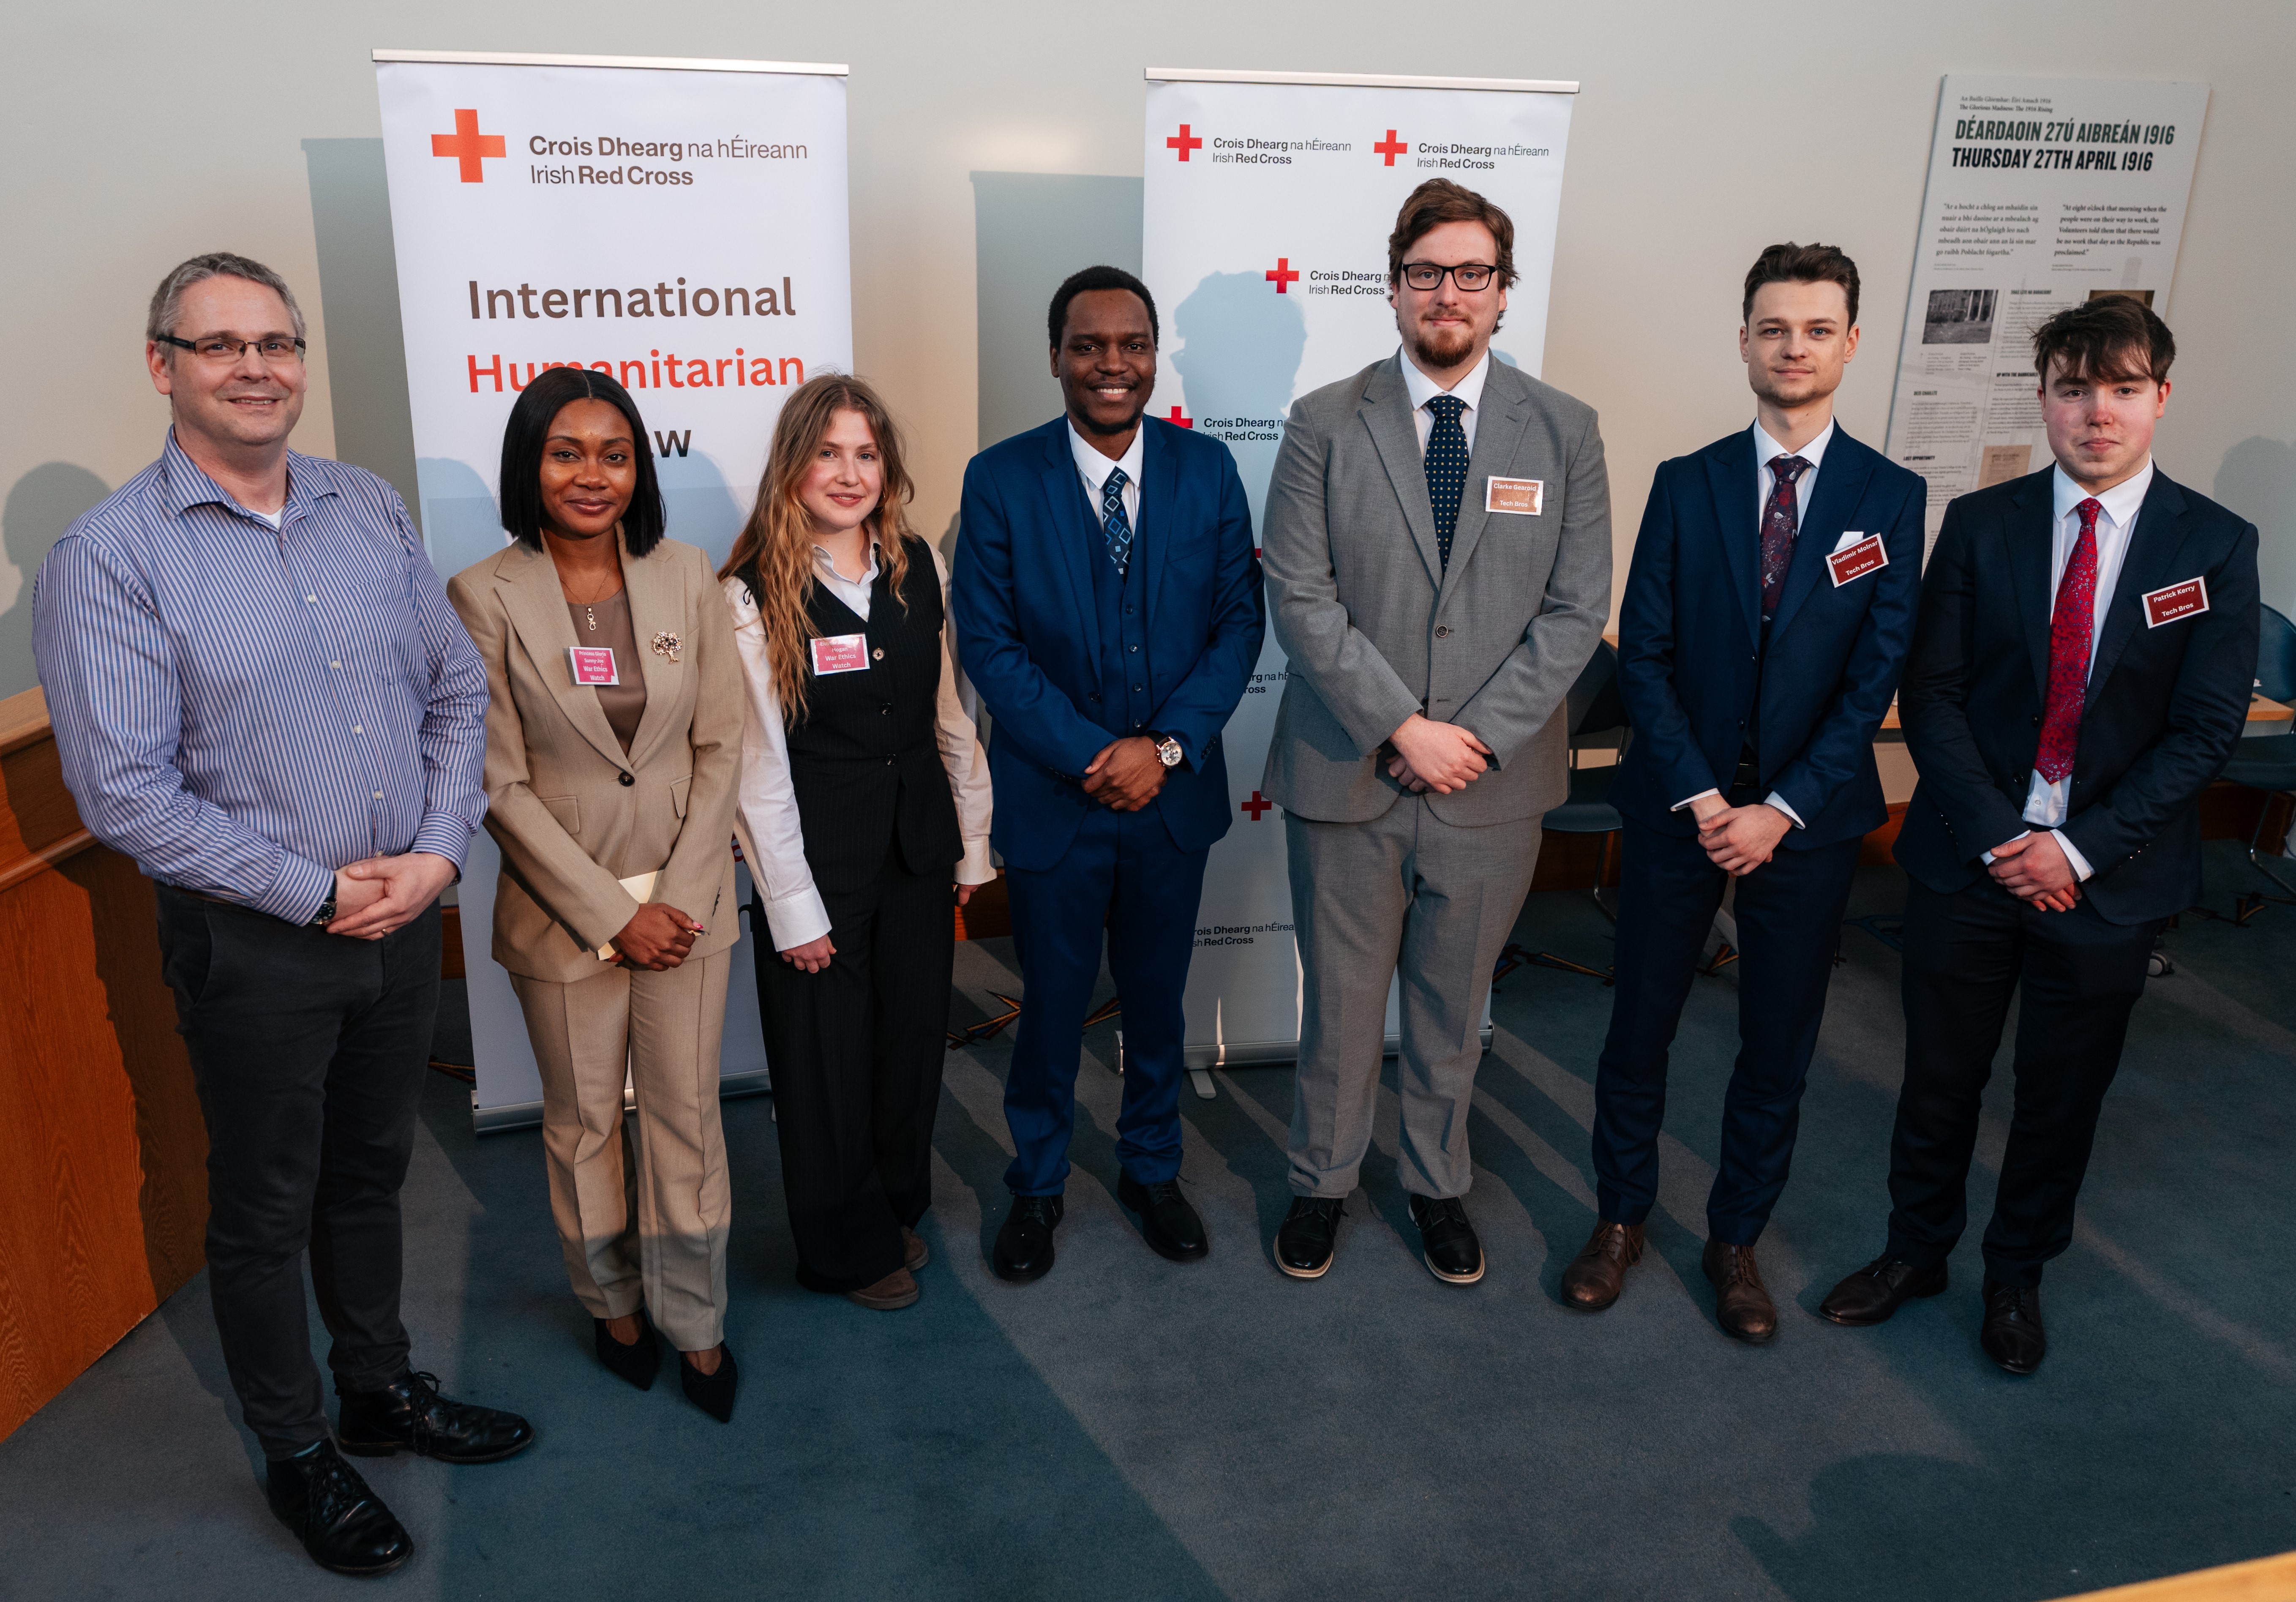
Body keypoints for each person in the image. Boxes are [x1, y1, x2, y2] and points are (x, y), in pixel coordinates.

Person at [33, 253, 529, 1578]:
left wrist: (433, 856)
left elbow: (454, 696)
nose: (254, 368)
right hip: (258, 943)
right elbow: (125, 794)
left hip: (400, 905)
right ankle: (298, 1449)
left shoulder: (363, 507)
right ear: (164, 367)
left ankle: (377, 1391)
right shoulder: (111, 556)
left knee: (370, 1177)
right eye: (218, 346)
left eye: (275, 343)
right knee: (264, 1205)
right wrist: (316, 893)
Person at [1818, 297, 2258, 1375]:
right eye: (2072, 389)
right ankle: (1914, 1252)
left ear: (2160, 397)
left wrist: (2073, 848)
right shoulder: (1983, 525)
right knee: (1937, 1079)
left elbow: (2202, 732)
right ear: (2043, 399)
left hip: (2107, 880)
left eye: (2119, 390)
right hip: (1970, 864)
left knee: (2059, 1098)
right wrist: (2000, 837)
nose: (2094, 414)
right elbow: (1933, 697)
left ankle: (2015, 1274)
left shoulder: (2213, 543)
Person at [1564, 243, 1925, 1341]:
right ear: (1744, 342)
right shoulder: (1686, 483)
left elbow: (1874, 679)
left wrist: (1782, 810)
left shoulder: (1890, 499)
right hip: (1681, 815)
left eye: (1817, 329)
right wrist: (1706, 799)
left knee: (1777, 1047)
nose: (1794, 347)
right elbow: (1650, 658)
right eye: (1774, 328)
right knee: (1639, 1030)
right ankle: (1620, 1221)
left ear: (1850, 344)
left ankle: (1734, 1242)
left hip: (1807, 831)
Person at [1261, 180, 1611, 1284]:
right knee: (1343, 1007)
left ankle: (1434, 1181)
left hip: (1493, 786)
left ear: (1503, 292)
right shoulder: (1325, 421)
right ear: (1393, 284)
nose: (1447, 293)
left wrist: (1474, 737)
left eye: (1471, 273)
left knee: (1453, 1009)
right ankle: (1321, 1180)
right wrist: (1403, 728)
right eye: (1425, 272)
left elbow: (1574, 612)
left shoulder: (1563, 430)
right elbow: (1301, 597)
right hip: (1350, 767)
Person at [952, 265, 1264, 1282]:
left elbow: (1235, 627)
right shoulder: (999, 479)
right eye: (1088, 346)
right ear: (1055, 358)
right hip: (1056, 802)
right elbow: (989, 645)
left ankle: (1150, 1169)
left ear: (1153, 353)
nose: (1111, 364)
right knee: (1047, 1009)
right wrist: (1097, 755)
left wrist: (1163, 749)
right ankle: (1036, 1187)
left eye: (1131, 343)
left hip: (1171, 802)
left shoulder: (1208, 471)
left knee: (1156, 1002)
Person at [447, 366, 746, 1421]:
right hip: (565, 914)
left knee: (686, 1119)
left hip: (690, 904)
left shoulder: (688, 574)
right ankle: (612, 1305)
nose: (591, 475)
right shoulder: (483, 594)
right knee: (582, 1126)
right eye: (566, 452)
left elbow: (721, 745)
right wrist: (617, 914)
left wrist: (681, 897)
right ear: (530, 464)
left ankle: (698, 1324)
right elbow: (495, 782)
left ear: (638, 468)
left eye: (613, 455)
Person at [723, 374, 993, 1311]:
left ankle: (893, 1210)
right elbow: (756, 769)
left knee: (910, 1044)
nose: (848, 472)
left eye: (866, 454)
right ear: (793, 465)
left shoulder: (919, 564)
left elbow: (949, 717)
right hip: (819, 867)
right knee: (825, 1064)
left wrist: (969, 847)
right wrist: (790, 909)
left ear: (888, 466)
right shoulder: (750, 595)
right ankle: (838, 1247)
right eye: (828, 452)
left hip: (916, 849)